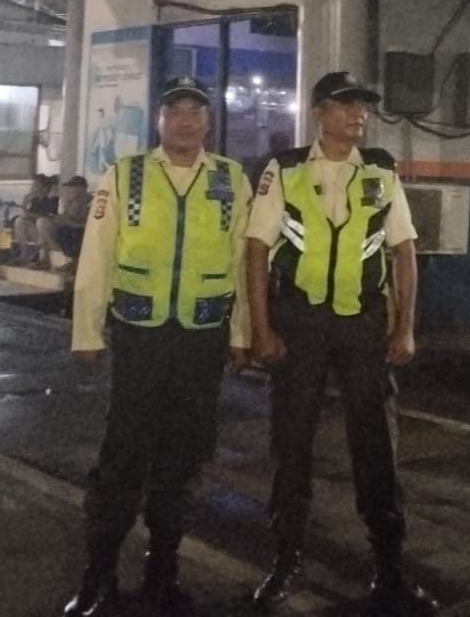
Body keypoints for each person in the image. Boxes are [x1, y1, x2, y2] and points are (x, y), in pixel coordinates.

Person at [246, 70, 437, 616]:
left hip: (363, 324)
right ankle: (286, 560)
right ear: (318, 113)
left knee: (376, 444)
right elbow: (256, 249)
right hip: (299, 322)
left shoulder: (379, 170)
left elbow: (403, 251)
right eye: (345, 105)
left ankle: (389, 567)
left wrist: (405, 326)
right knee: (292, 441)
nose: (358, 114)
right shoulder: (284, 170)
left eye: (362, 107)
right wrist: (261, 328)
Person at [62, 77, 252, 617]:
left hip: (201, 340)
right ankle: (98, 578)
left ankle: (162, 575)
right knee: (122, 457)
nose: (185, 121)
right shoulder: (126, 175)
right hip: (140, 337)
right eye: (175, 112)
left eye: (195, 112)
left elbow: (243, 262)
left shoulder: (231, 179)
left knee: (183, 459)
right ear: (159, 120)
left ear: (208, 122)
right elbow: (97, 256)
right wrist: (86, 331)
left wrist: (241, 335)